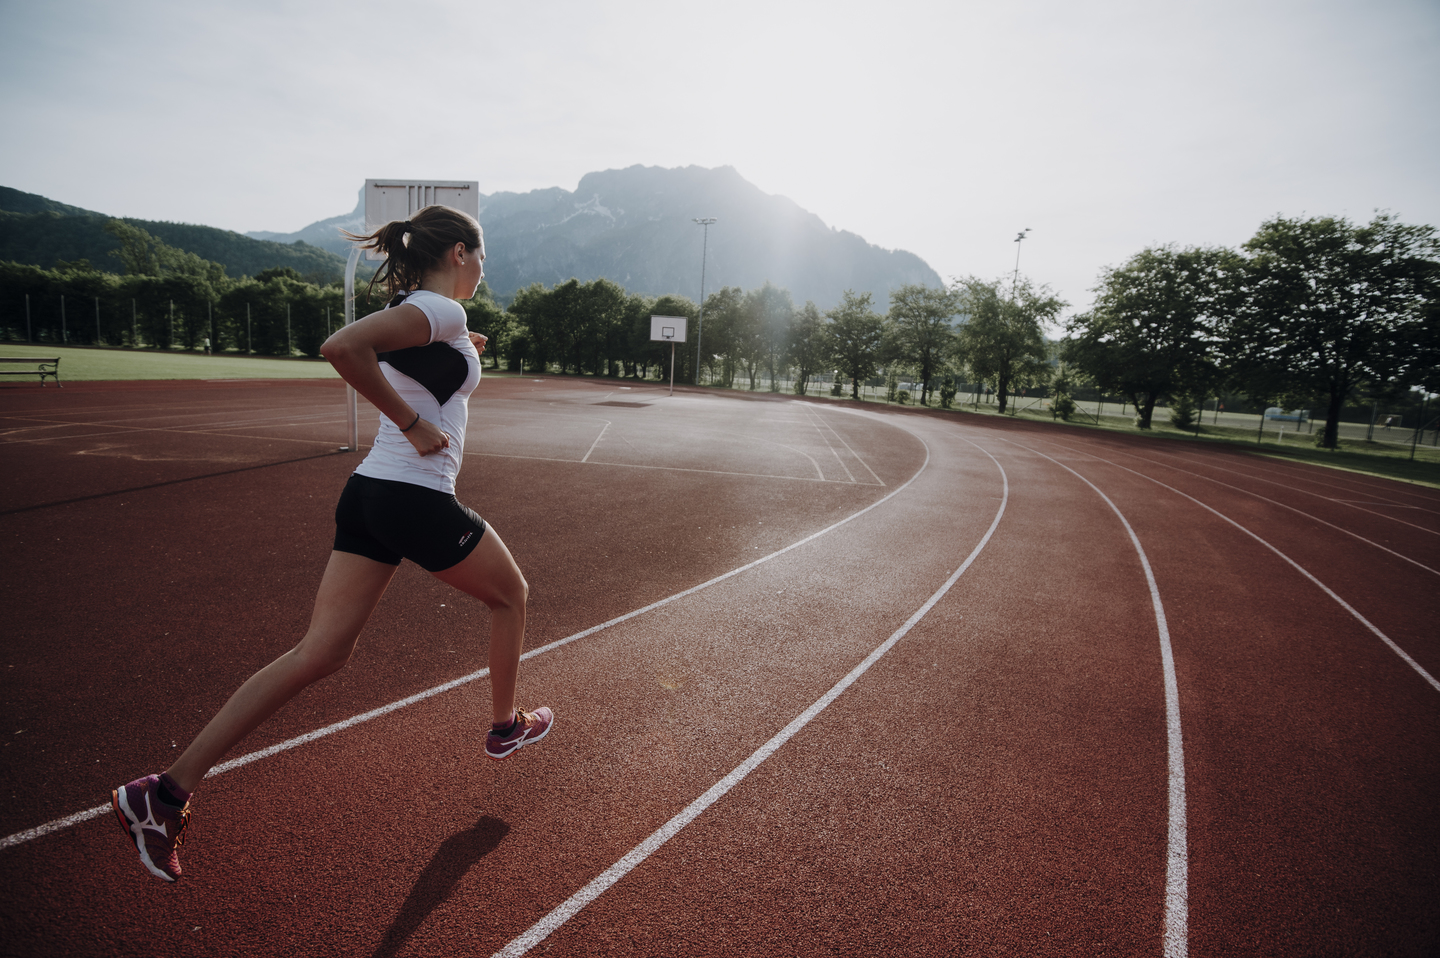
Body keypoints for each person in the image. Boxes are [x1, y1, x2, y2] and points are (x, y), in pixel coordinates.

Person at [110, 205, 552, 883]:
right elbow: (342, 347)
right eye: (483, 258)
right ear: (460, 252)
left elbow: (398, 356)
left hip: (370, 497)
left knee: (318, 654)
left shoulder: (429, 314)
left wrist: (461, 356)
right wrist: (410, 421)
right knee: (512, 595)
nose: (484, 271)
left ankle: (163, 793)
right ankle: (503, 728)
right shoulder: (442, 311)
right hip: (414, 495)